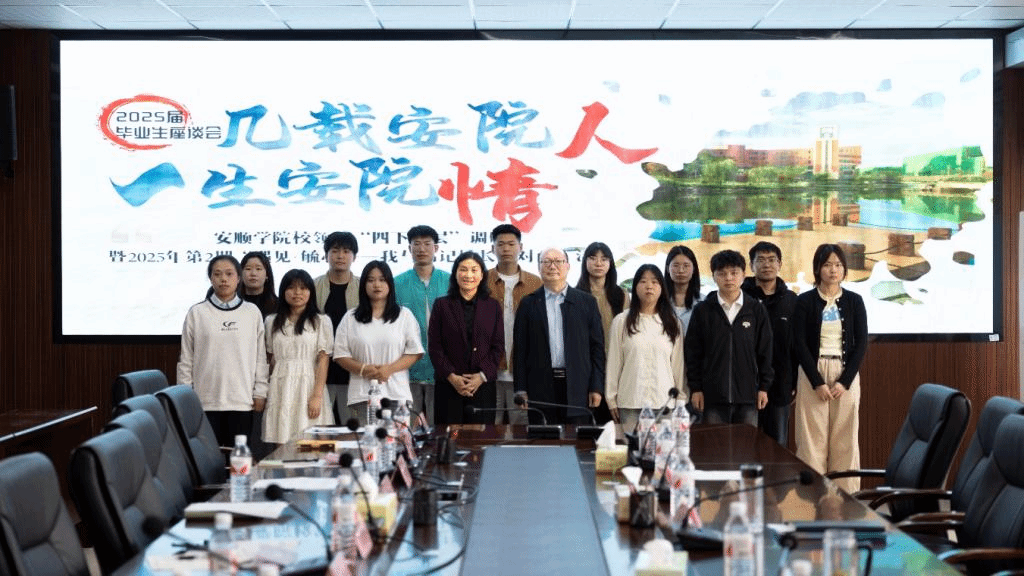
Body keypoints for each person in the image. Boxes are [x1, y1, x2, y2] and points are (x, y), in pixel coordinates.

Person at [793, 244, 868, 493]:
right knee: (811, 440)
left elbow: (861, 342)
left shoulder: (855, 301)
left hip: (845, 373)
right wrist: (817, 382)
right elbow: (799, 343)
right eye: (827, 265)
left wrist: (844, 381)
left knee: (846, 438)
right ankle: (811, 496)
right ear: (817, 269)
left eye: (838, 265)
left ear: (844, 269)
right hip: (812, 373)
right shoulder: (804, 301)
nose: (833, 270)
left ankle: (845, 497)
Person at [176, 255, 268, 448]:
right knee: (208, 457)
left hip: (242, 400)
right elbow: (186, 359)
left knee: (238, 458)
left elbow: (260, 357)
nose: (223, 279)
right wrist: (185, 396)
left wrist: (260, 392)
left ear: (238, 278)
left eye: (229, 274)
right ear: (211, 278)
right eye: (217, 274)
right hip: (205, 401)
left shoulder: (252, 312)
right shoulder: (197, 313)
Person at [513, 247, 605, 425]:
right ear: (539, 267)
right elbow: (520, 350)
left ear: (568, 266)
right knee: (543, 437)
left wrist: (596, 386)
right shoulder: (528, 303)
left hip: (578, 386)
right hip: (540, 387)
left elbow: (597, 349)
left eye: (558, 261)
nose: (552, 266)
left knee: (576, 439)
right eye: (546, 262)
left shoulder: (586, 302)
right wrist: (521, 389)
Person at [684, 250, 773, 426]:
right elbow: (693, 353)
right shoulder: (703, 310)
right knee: (715, 443)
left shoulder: (755, 309)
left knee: (746, 443)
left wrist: (764, 387)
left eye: (734, 273)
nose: (728, 278)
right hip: (712, 397)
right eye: (722, 273)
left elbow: (765, 351)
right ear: (713, 277)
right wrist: (696, 388)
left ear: (743, 275)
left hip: (748, 396)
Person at [333, 261, 423, 424]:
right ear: (363, 285)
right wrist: (363, 369)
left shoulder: (404, 315)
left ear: (390, 284)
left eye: (382, 280)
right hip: (362, 396)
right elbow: (340, 354)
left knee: (396, 440)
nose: (377, 285)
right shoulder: (350, 318)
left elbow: (414, 352)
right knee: (365, 440)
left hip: (397, 396)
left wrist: (389, 369)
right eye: (371, 280)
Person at [605, 264, 685, 433]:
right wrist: (611, 398)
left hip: (664, 402)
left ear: (662, 288)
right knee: (631, 448)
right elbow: (614, 362)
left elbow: (678, 365)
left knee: (662, 448)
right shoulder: (621, 321)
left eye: (655, 282)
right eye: (643, 281)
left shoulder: (672, 323)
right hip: (631, 401)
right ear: (635, 287)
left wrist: (680, 398)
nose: (649, 286)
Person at [428, 252, 504, 424]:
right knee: (449, 437)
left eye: (474, 270)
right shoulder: (441, 305)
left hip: (482, 387)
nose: (468, 275)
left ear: (482, 275)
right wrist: (452, 377)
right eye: (463, 269)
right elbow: (435, 347)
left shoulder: (492, 306)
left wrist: (481, 376)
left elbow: (498, 346)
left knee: (482, 437)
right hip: (449, 386)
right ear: (455, 274)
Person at [263, 269, 333, 444]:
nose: (297, 292)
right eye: (291, 288)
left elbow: (323, 360)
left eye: (303, 288)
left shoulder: (321, 321)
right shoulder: (271, 321)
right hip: (280, 387)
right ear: (283, 291)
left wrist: (316, 396)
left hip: (309, 386)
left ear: (311, 292)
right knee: (282, 441)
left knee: (312, 444)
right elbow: (270, 358)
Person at [742, 241, 798, 447]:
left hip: (780, 385)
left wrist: (794, 382)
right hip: (744, 386)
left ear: (780, 264)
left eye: (772, 260)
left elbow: (796, 346)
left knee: (777, 448)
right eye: (761, 260)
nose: (767, 265)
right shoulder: (741, 298)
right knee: (744, 446)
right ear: (751, 265)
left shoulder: (791, 300)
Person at [486, 224, 543, 426]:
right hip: (489, 373)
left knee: (521, 430)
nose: (506, 249)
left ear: (521, 247)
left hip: (522, 374)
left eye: (511, 244)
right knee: (488, 428)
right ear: (492, 248)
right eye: (500, 244)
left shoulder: (536, 283)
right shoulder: (481, 280)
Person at [394, 225, 450, 426]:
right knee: (408, 426)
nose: (421, 249)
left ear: (436, 248)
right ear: (409, 249)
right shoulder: (397, 283)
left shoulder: (450, 281)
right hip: (408, 367)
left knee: (439, 424)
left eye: (427, 244)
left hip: (442, 366)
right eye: (416, 244)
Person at [575, 242, 628, 424]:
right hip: (585, 367)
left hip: (615, 366)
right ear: (585, 262)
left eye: (604, 259)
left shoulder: (621, 295)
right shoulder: (574, 295)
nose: (598, 263)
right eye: (593, 258)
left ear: (610, 263)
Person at [314, 232, 359, 425]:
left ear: (354, 257)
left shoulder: (363, 287)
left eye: (346, 251)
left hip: (352, 367)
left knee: (351, 427)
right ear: (326, 255)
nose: (340, 256)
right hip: (320, 367)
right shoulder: (313, 286)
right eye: (335, 251)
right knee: (320, 425)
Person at [665, 245, 703, 335]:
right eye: (676, 265)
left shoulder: (704, 302)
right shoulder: (658, 301)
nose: (681, 270)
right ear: (667, 269)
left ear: (694, 269)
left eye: (686, 265)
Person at [240, 251, 277, 317]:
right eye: (248, 269)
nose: (253, 273)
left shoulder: (278, 305)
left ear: (267, 274)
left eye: (258, 269)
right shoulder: (233, 303)